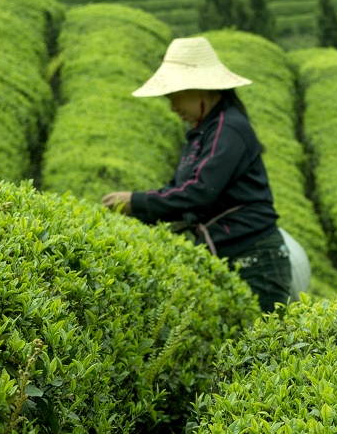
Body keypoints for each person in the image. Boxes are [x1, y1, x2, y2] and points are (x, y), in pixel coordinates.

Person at [103, 36, 297, 312]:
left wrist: (136, 201)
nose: (172, 106)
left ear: (199, 88)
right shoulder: (201, 133)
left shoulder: (228, 129)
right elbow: (177, 188)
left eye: (174, 96)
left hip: (254, 258)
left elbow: (199, 192)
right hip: (222, 252)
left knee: (264, 343)